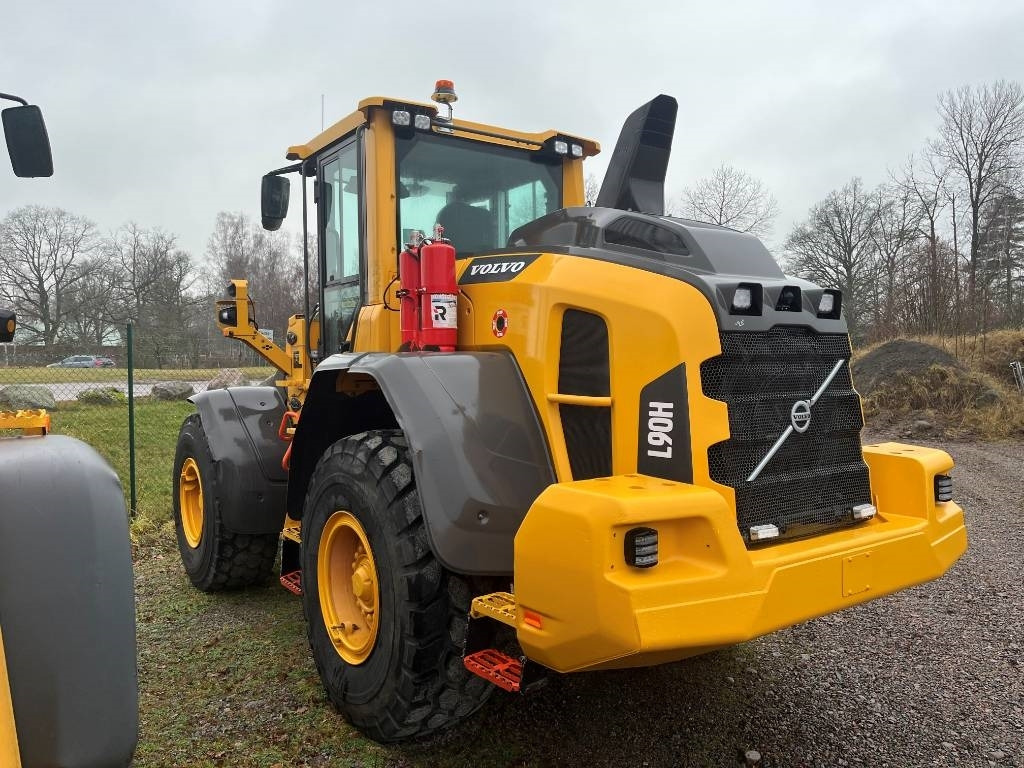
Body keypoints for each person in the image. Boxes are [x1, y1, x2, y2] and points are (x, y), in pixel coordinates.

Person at [436, 185, 495, 255]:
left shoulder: (443, 213)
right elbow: (491, 242)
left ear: (454, 196)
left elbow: (438, 238)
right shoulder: (482, 214)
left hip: (449, 257)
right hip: (477, 258)